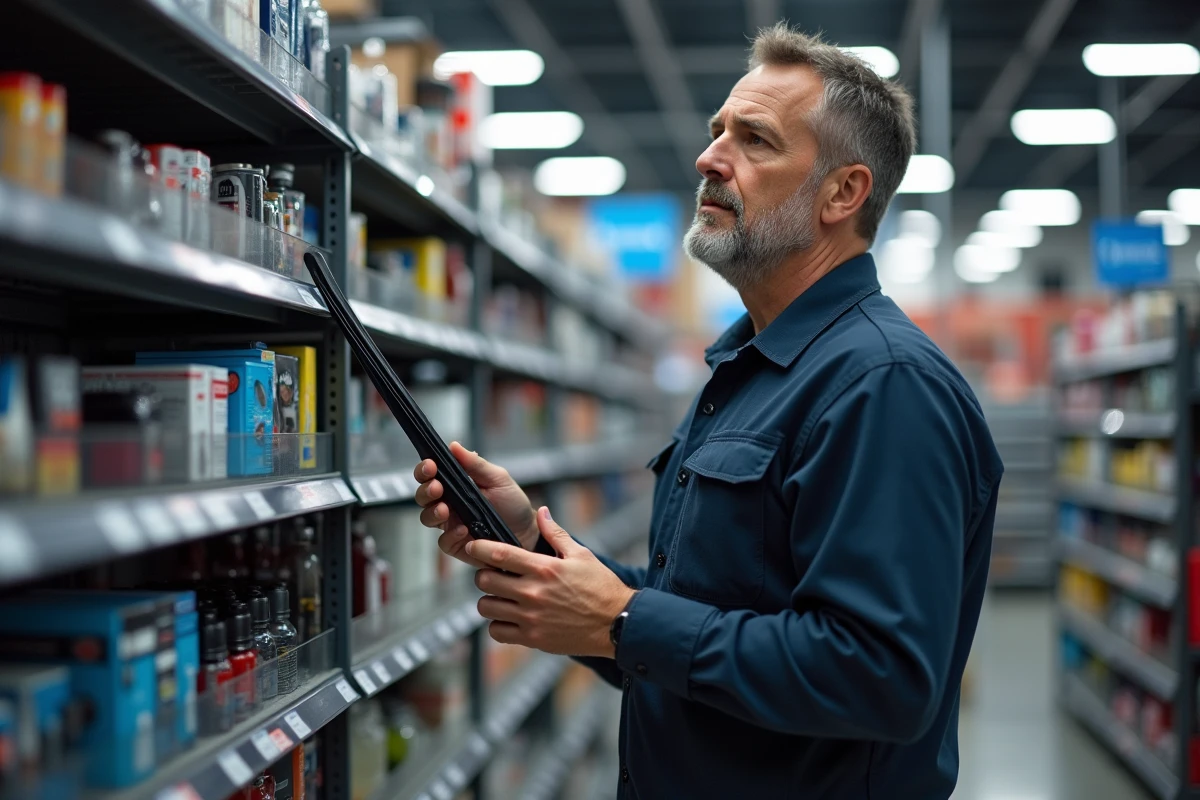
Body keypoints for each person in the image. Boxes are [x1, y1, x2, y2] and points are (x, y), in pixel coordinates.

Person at [413, 23, 1002, 800]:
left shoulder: (882, 385)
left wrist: (624, 622)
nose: (709, 158)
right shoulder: (748, 370)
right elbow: (706, 616)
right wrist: (535, 547)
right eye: (716, 130)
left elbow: (882, 676)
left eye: (754, 139)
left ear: (843, 193)